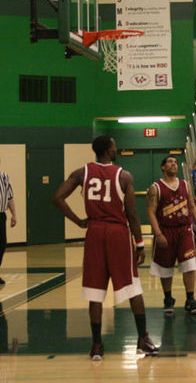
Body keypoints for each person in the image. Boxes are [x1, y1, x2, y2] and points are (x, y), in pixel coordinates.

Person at [52, 136, 159, 360]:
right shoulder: (124, 175)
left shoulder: (82, 173)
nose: (116, 147)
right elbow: (131, 214)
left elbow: (58, 197)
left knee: (95, 291)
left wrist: (78, 221)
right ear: (109, 150)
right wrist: (140, 244)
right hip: (117, 233)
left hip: (94, 232)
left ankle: (97, 346)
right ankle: (142, 340)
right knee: (133, 288)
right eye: (114, 145)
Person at [146, 156, 196, 315]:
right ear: (163, 167)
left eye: (175, 162)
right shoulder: (155, 187)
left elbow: (192, 207)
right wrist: (157, 233)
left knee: (190, 265)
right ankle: (168, 298)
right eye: (170, 162)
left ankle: (190, 299)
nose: (173, 164)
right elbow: (150, 211)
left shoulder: (185, 184)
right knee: (165, 267)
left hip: (184, 230)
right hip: (165, 230)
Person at [0, 165, 16, 285]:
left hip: (1, 215)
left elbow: (10, 197)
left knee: (2, 244)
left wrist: (14, 214)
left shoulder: (4, 177)